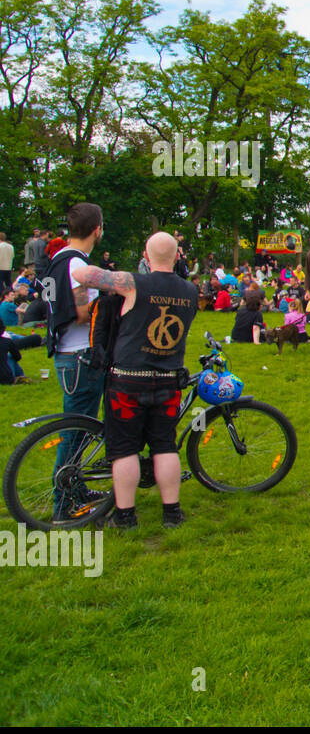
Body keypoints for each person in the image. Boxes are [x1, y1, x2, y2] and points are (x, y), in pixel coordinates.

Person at [71, 232, 197, 529]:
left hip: (129, 379)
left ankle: (125, 516)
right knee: (165, 447)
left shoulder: (133, 283)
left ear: (145, 254)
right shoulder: (190, 290)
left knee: (124, 449)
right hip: (168, 379)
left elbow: (80, 273)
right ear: (178, 256)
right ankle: (172, 514)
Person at [41, 204, 107, 520]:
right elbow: (83, 313)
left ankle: (77, 490)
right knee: (75, 433)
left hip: (66, 354)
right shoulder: (76, 266)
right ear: (97, 229)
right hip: (81, 356)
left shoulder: (56, 261)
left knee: (80, 430)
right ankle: (63, 506)